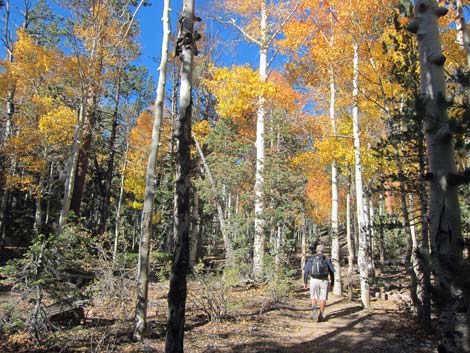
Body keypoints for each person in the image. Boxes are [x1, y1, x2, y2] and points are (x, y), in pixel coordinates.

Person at [303, 244, 335, 322]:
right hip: (324, 281)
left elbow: (306, 271)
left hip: (313, 280)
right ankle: (321, 315)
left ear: (316, 250)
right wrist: (332, 283)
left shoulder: (311, 259)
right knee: (323, 298)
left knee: (313, 296)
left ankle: (314, 308)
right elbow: (331, 272)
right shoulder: (326, 259)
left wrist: (305, 282)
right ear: (323, 251)